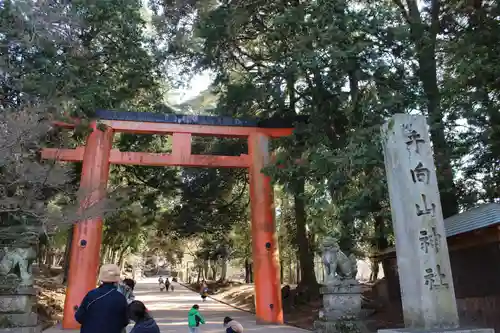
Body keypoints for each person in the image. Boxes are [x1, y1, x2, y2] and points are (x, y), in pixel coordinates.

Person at [75, 264, 128, 333]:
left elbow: (79, 317)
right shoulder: (121, 298)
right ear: (117, 279)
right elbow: (125, 321)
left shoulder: (91, 295)